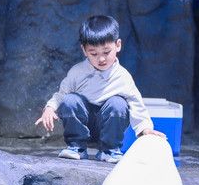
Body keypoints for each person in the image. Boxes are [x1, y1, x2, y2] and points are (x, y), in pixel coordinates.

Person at [35, 15, 165, 163]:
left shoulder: (122, 77)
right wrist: (50, 108)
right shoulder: (77, 72)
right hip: (83, 124)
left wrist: (144, 129)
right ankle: (76, 147)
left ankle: (109, 151)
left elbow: (136, 103)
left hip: (110, 126)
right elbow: (61, 94)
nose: (101, 59)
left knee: (118, 103)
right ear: (84, 50)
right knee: (70, 100)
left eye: (106, 52)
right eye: (94, 53)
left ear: (118, 45)